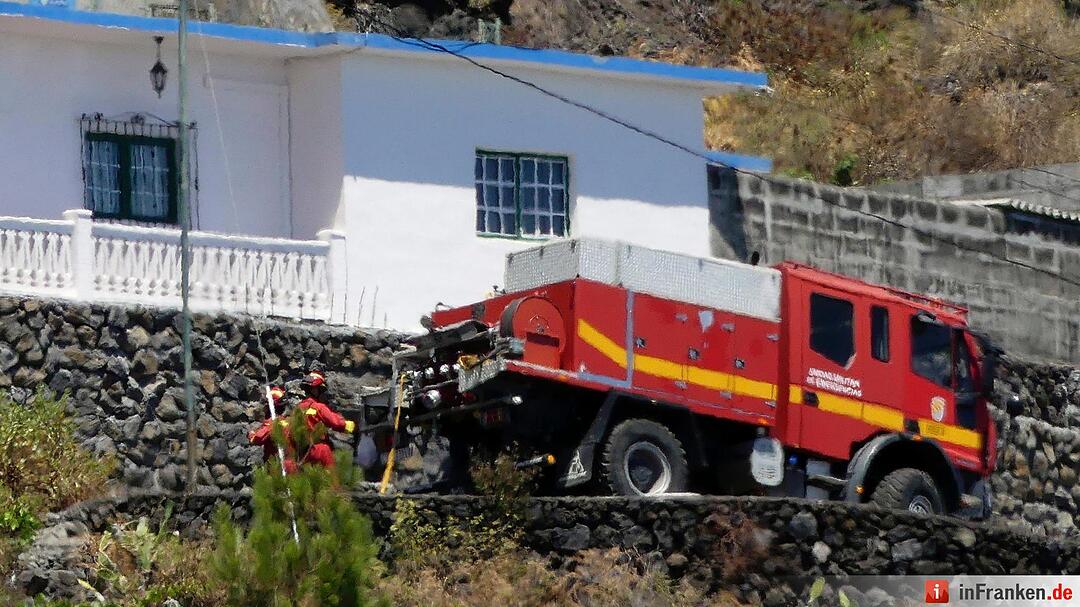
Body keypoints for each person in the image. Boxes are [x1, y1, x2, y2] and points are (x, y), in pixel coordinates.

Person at [297, 370, 357, 468]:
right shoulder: (318, 407)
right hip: (319, 449)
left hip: (302, 452)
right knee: (330, 475)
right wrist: (351, 425)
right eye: (320, 390)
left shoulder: (298, 408)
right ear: (314, 390)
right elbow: (336, 422)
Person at [247, 386, 299, 474]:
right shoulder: (290, 421)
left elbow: (258, 439)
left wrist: (251, 434)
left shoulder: (272, 423)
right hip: (293, 465)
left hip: (277, 467)